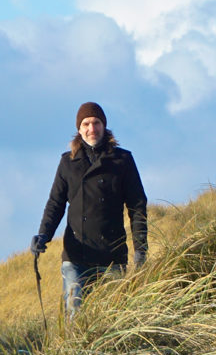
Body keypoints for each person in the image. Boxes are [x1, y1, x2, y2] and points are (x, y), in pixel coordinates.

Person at [31, 101, 147, 316]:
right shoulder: (68, 162)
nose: (91, 129)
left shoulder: (122, 160)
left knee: (112, 316)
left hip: (112, 255)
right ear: (79, 129)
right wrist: (43, 235)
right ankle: (73, 349)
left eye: (96, 123)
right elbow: (55, 203)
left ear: (104, 126)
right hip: (76, 256)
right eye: (86, 124)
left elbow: (137, 206)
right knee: (75, 311)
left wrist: (140, 249)